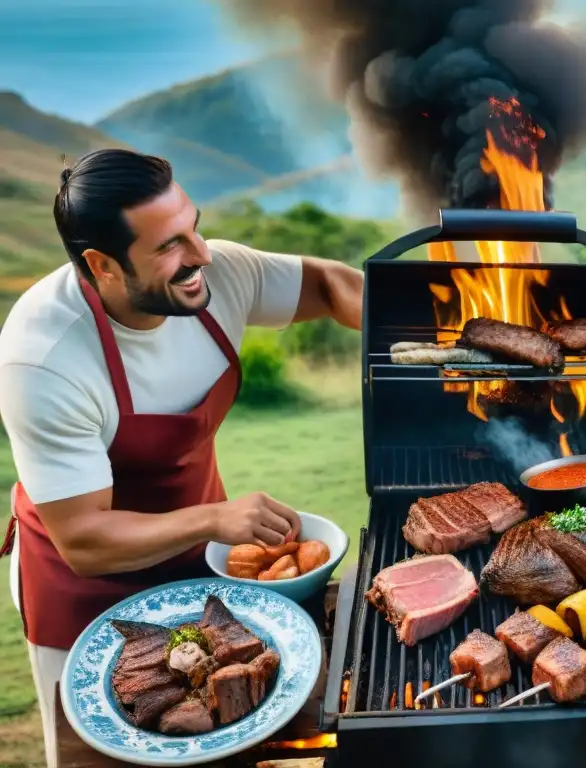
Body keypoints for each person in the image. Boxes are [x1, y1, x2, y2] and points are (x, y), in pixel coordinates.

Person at [0, 148, 364, 767]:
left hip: (202, 574)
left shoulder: (219, 276)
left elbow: (332, 285)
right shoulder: (45, 356)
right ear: (101, 265)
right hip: (87, 602)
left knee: (231, 729)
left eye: (193, 225)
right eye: (169, 245)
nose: (201, 253)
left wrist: (432, 334)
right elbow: (84, 541)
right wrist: (215, 520)